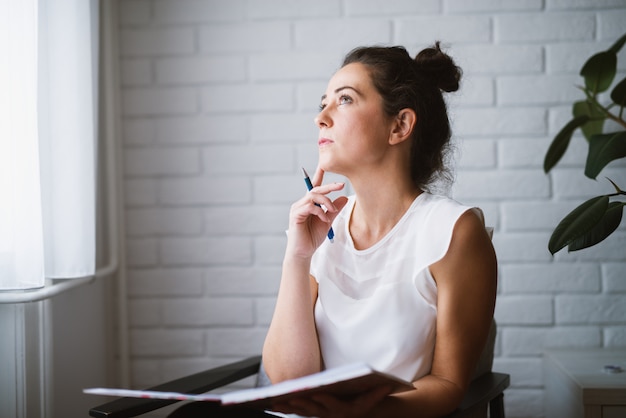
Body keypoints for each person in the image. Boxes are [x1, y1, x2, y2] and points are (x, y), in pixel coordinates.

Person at [171, 42, 497, 418]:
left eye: (344, 100)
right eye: (322, 103)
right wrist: (298, 256)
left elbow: (447, 385)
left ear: (400, 125)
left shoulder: (453, 232)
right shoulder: (325, 226)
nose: (320, 117)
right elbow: (289, 377)